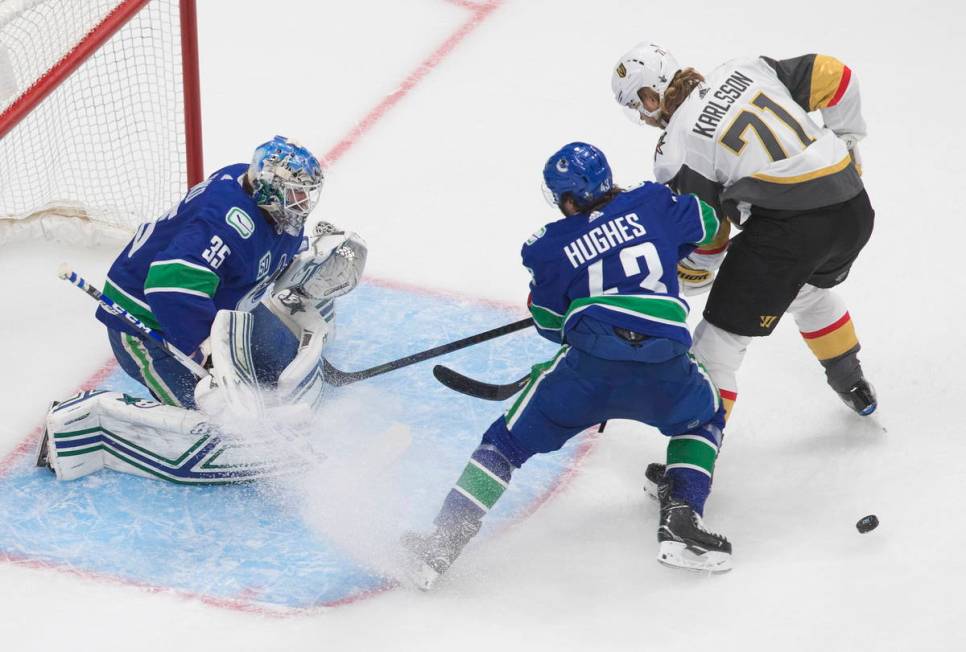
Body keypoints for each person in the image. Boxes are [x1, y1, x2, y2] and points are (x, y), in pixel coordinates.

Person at [404, 142, 732, 590]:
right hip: (664, 359)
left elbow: (550, 325)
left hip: (588, 368)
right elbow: (713, 226)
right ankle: (682, 517)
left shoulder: (546, 247)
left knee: (504, 445)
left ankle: (441, 544)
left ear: (569, 199)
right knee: (703, 419)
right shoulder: (655, 201)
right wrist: (665, 248)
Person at [36, 136, 368, 484]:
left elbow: (259, 254)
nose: (303, 204)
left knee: (281, 369)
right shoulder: (224, 221)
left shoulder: (267, 200)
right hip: (151, 322)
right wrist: (209, 353)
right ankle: (95, 423)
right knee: (223, 419)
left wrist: (308, 263)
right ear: (271, 189)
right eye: (295, 194)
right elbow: (169, 287)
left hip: (225, 306)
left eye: (306, 193)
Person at [611, 44, 877, 421]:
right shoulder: (745, 68)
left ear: (650, 97)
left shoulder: (676, 149)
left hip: (791, 234)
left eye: (639, 106)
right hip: (853, 210)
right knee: (805, 290)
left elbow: (710, 241)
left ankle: (690, 467)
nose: (643, 116)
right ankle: (852, 380)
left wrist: (683, 276)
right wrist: (847, 139)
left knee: (713, 346)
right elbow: (837, 75)